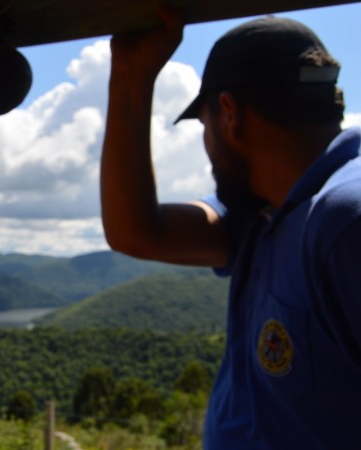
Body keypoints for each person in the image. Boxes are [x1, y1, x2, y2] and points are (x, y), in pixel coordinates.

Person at [101, 6, 361, 449]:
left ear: (229, 114)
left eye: (203, 125)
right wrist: (130, 71)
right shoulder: (265, 213)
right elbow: (136, 232)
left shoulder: (344, 221)